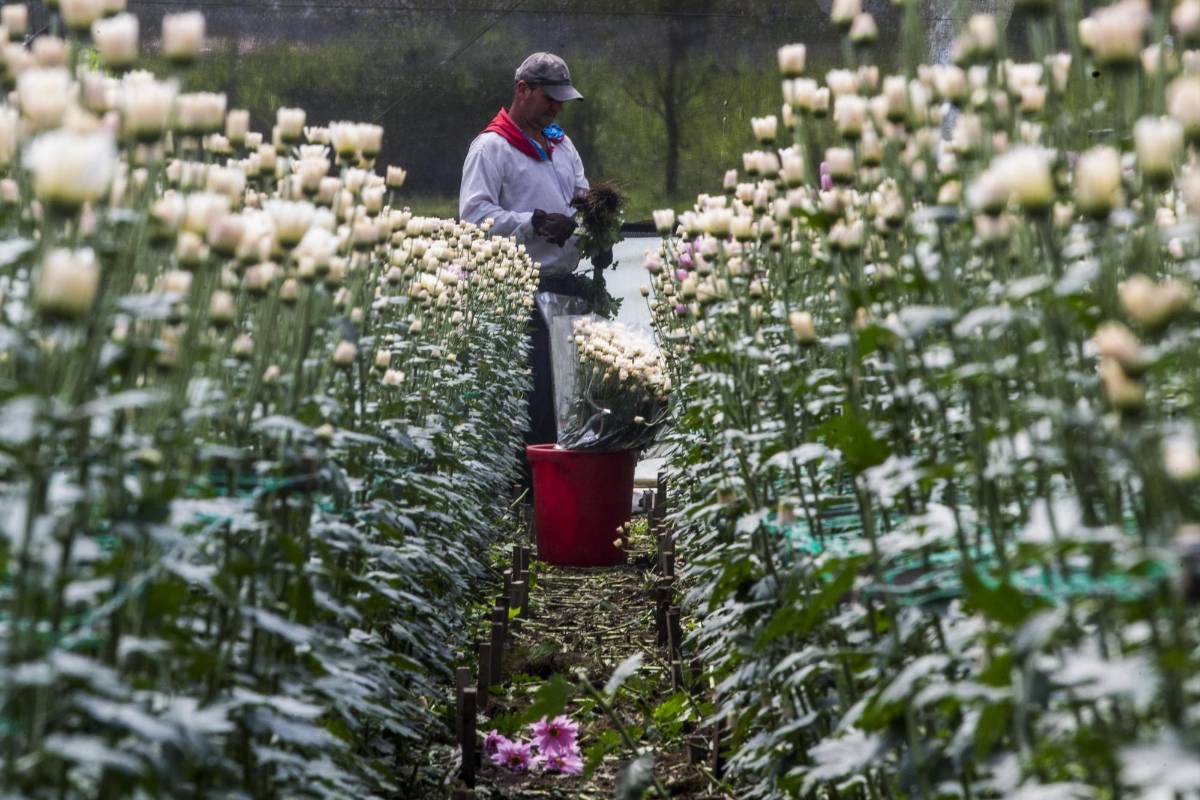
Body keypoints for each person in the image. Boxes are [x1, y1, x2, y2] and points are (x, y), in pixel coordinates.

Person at [459, 52, 591, 450]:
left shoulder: (562, 145)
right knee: (535, 405)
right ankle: (529, 483)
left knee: (569, 402)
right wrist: (532, 223)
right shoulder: (491, 148)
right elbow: (474, 217)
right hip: (520, 297)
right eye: (549, 98)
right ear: (522, 89)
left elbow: (581, 195)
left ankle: (556, 479)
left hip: (566, 291)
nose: (557, 108)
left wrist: (589, 216)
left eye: (561, 100)